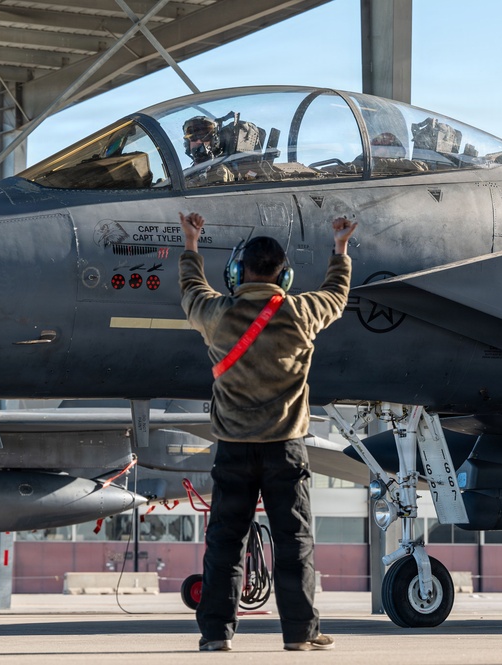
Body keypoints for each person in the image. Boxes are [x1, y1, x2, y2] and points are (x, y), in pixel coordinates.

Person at [178, 211, 357, 652]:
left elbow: (191, 291)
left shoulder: (219, 314)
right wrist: (340, 250)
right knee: (294, 543)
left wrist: (191, 243)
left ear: (239, 272)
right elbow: (336, 295)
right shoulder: (300, 312)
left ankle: (216, 635)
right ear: (285, 275)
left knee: (225, 544)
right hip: (285, 450)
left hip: (234, 450)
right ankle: (299, 634)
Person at [182, 116, 234, 186]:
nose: (199, 141)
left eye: (205, 136)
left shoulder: (226, 172)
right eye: (194, 137)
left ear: (214, 141)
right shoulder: (182, 177)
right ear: (188, 143)